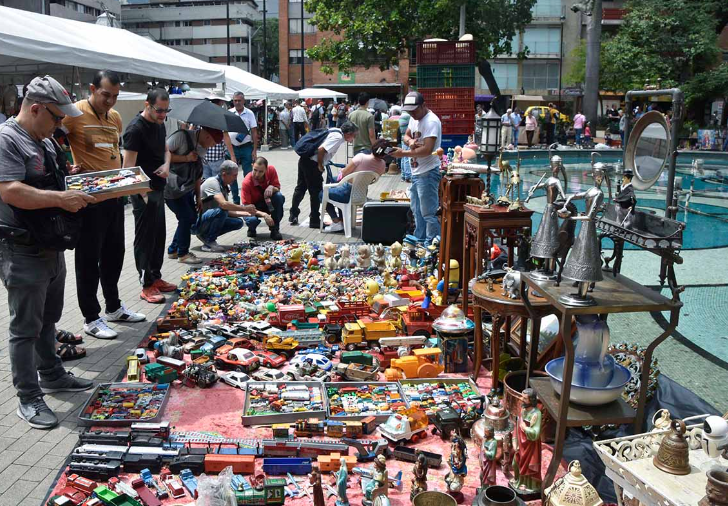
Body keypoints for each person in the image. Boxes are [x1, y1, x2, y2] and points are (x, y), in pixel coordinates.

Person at [0, 75, 96, 429]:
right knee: (25, 327)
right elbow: (10, 190)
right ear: (36, 108)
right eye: (56, 118)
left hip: (50, 245)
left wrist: (68, 177)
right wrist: (60, 197)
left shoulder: (44, 140)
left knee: (48, 318)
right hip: (22, 249)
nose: (60, 124)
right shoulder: (7, 139)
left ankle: (52, 374)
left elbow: (46, 180)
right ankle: (28, 396)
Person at [60, 70, 146, 339]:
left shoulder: (115, 117)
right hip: (88, 201)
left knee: (114, 255)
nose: (110, 101)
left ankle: (113, 307)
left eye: (115, 96)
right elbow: (51, 139)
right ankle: (90, 317)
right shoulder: (73, 114)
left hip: (114, 199)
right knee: (87, 260)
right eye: (106, 95)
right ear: (92, 89)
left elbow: (113, 151)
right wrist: (65, 165)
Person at [122, 87, 177, 304]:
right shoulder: (136, 129)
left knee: (158, 235)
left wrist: (166, 165)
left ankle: (155, 276)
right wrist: (141, 192)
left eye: (166, 110)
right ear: (147, 105)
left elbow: (166, 150)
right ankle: (146, 285)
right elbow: (128, 168)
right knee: (145, 238)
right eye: (159, 110)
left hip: (157, 188)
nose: (163, 115)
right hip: (143, 193)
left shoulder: (159, 123)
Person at [390, 91, 442, 246]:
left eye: (415, 110)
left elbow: (427, 149)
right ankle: (420, 240)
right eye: (409, 111)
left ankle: (432, 244)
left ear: (423, 106)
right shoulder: (414, 118)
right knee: (417, 211)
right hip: (417, 173)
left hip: (428, 172)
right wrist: (411, 141)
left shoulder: (431, 121)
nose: (412, 114)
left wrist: (403, 153)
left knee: (428, 213)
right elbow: (405, 136)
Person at [165, 126, 222, 262]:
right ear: (208, 137)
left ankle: (174, 249)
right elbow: (162, 155)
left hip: (187, 188)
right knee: (186, 217)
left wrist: (198, 196)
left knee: (190, 218)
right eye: (212, 144)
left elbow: (198, 172)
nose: (211, 147)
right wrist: (186, 158)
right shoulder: (180, 137)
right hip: (172, 187)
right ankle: (183, 254)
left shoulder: (202, 146)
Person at [289, 121, 358, 228]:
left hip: (304, 160)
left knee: (301, 188)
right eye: (354, 135)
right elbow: (321, 149)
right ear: (348, 133)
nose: (354, 138)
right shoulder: (338, 137)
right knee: (316, 192)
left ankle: (293, 213)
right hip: (313, 164)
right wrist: (320, 165)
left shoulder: (334, 130)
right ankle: (314, 220)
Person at [320, 138, 389, 233]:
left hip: (346, 192)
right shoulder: (382, 165)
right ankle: (342, 220)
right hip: (362, 193)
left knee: (321, 193)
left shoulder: (361, 157)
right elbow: (371, 180)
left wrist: (342, 177)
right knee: (336, 185)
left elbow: (343, 174)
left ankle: (337, 222)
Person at [197, 160, 258, 247]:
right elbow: (224, 205)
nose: (236, 178)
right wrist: (244, 208)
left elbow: (226, 211)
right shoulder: (212, 182)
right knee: (222, 210)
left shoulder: (224, 186)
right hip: (196, 221)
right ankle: (209, 242)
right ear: (224, 174)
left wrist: (247, 213)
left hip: (207, 218)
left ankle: (205, 236)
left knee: (238, 222)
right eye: (234, 175)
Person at [241, 156, 284, 240]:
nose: (257, 174)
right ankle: (252, 228)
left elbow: (278, 188)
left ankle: (274, 229)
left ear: (266, 169)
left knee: (279, 197)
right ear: (252, 166)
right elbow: (247, 207)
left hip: (267, 202)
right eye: (255, 170)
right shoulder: (247, 182)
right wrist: (264, 214)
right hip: (252, 206)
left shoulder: (271, 170)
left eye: (261, 171)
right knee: (252, 220)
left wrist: (272, 187)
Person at [510, 388, 542, 493]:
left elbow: (536, 433)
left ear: (531, 400)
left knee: (528, 466)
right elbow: (517, 425)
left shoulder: (536, 414)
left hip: (530, 445)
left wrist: (525, 428)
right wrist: (514, 439)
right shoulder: (523, 409)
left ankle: (529, 486)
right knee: (515, 463)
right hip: (521, 443)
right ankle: (518, 480)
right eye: (521, 397)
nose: (521, 399)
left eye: (524, 398)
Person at [228, 92, 257, 204]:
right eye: (235, 100)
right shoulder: (229, 113)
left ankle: (248, 200)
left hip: (246, 147)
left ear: (243, 101)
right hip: (233, 148)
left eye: (239, 100)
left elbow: (254, 131)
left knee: (248, 174)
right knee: (232, 175)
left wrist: (254, 150)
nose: (237, 102)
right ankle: (235, 200)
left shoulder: (249, 113)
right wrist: (230, 153)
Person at [203, 98, 236, 178]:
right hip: (216, 156)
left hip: (204, 156)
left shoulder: (203, 113)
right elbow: (226, 136)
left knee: (206, 184)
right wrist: (232, 155)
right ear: (221, 102)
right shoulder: (221, 116)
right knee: (217, 183)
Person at [398, 110, 412, 182]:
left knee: (403, 157)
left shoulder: (401, 116)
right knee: (407, 157)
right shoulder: (408, 116)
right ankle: (408, 175)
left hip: (403, 137)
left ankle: (403, 175)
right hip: (407, 139)